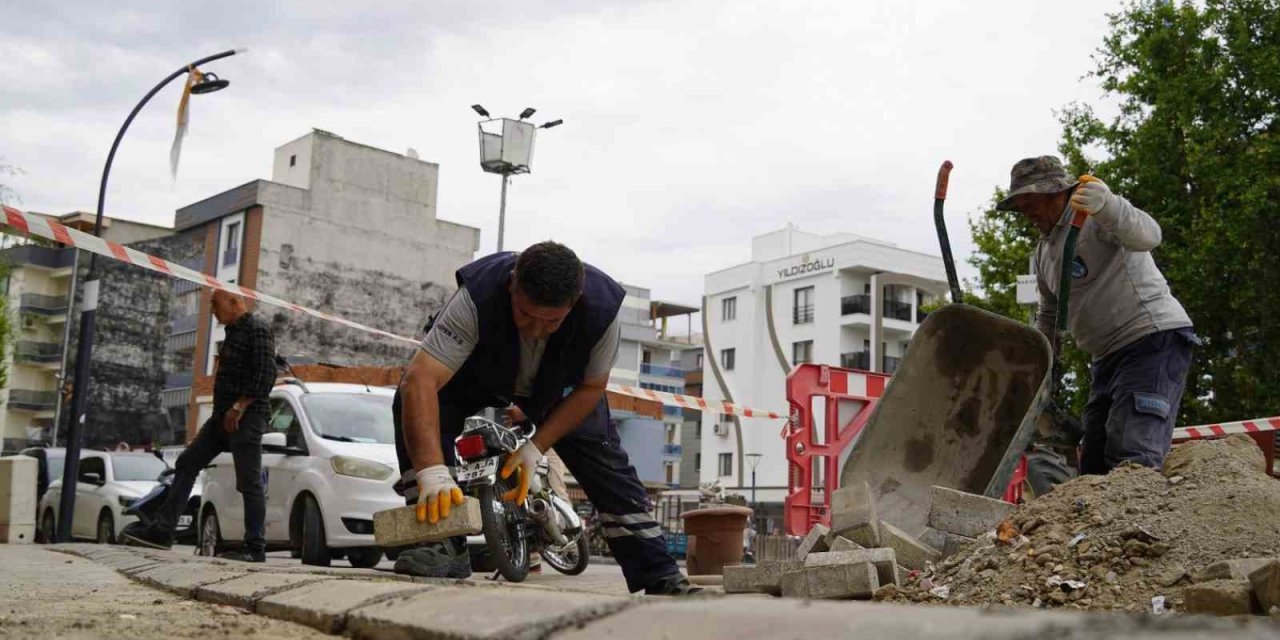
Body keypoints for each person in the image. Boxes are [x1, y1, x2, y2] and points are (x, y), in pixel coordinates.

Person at [393, 241, 697, 595]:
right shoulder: (477, 296)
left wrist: (536, 447)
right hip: (477, 373)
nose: (536, 329)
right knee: (413, 401)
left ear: (575, 301)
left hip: (560, 387)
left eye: (552, 321)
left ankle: (658, 571)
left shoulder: (602, 312)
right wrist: (431, 472)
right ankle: (440, 542)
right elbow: (421, 379)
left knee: (604, 458)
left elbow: (591, 388)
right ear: (512, 285)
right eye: (525, 315)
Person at [997, 156, 1197, 475]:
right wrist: (1037, 368)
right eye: (1022, 208)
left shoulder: (1094, 218)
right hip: (1105, 357)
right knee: (1094, 465)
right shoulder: (1044, 251)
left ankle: (1139, 507)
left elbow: (1150, 236)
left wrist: (1110, 206)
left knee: (1133, 455)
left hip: (1150, 340)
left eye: (1031, 203)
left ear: (1057, 193)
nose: (1028, 214)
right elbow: (1049, 315)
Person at [123, 290, 276, 562]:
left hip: (246, 416)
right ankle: (162, 532)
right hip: (221, 418)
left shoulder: (257, 328)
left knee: (249, 482)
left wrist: (239, 406)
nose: (212, 310)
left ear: (234, 301)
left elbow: (266, 375)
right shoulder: (232, 332)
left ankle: (255, 548)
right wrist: (224, 413)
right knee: (187, 462)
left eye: (215, 304)